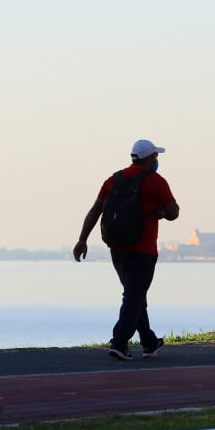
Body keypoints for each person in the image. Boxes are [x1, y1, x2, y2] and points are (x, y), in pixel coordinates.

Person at [73, 139, 180, 360]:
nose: (157, 159)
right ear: (150, 158)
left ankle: (149, 342)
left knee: (135, 295)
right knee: (134, 295)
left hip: (117, 248)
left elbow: (95, 209)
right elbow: (173, 212)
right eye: (156, 156)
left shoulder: (113, 180)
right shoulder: (156, 181)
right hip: (143, 248)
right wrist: (161, 211)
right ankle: (119, 342)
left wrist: (82, 239)